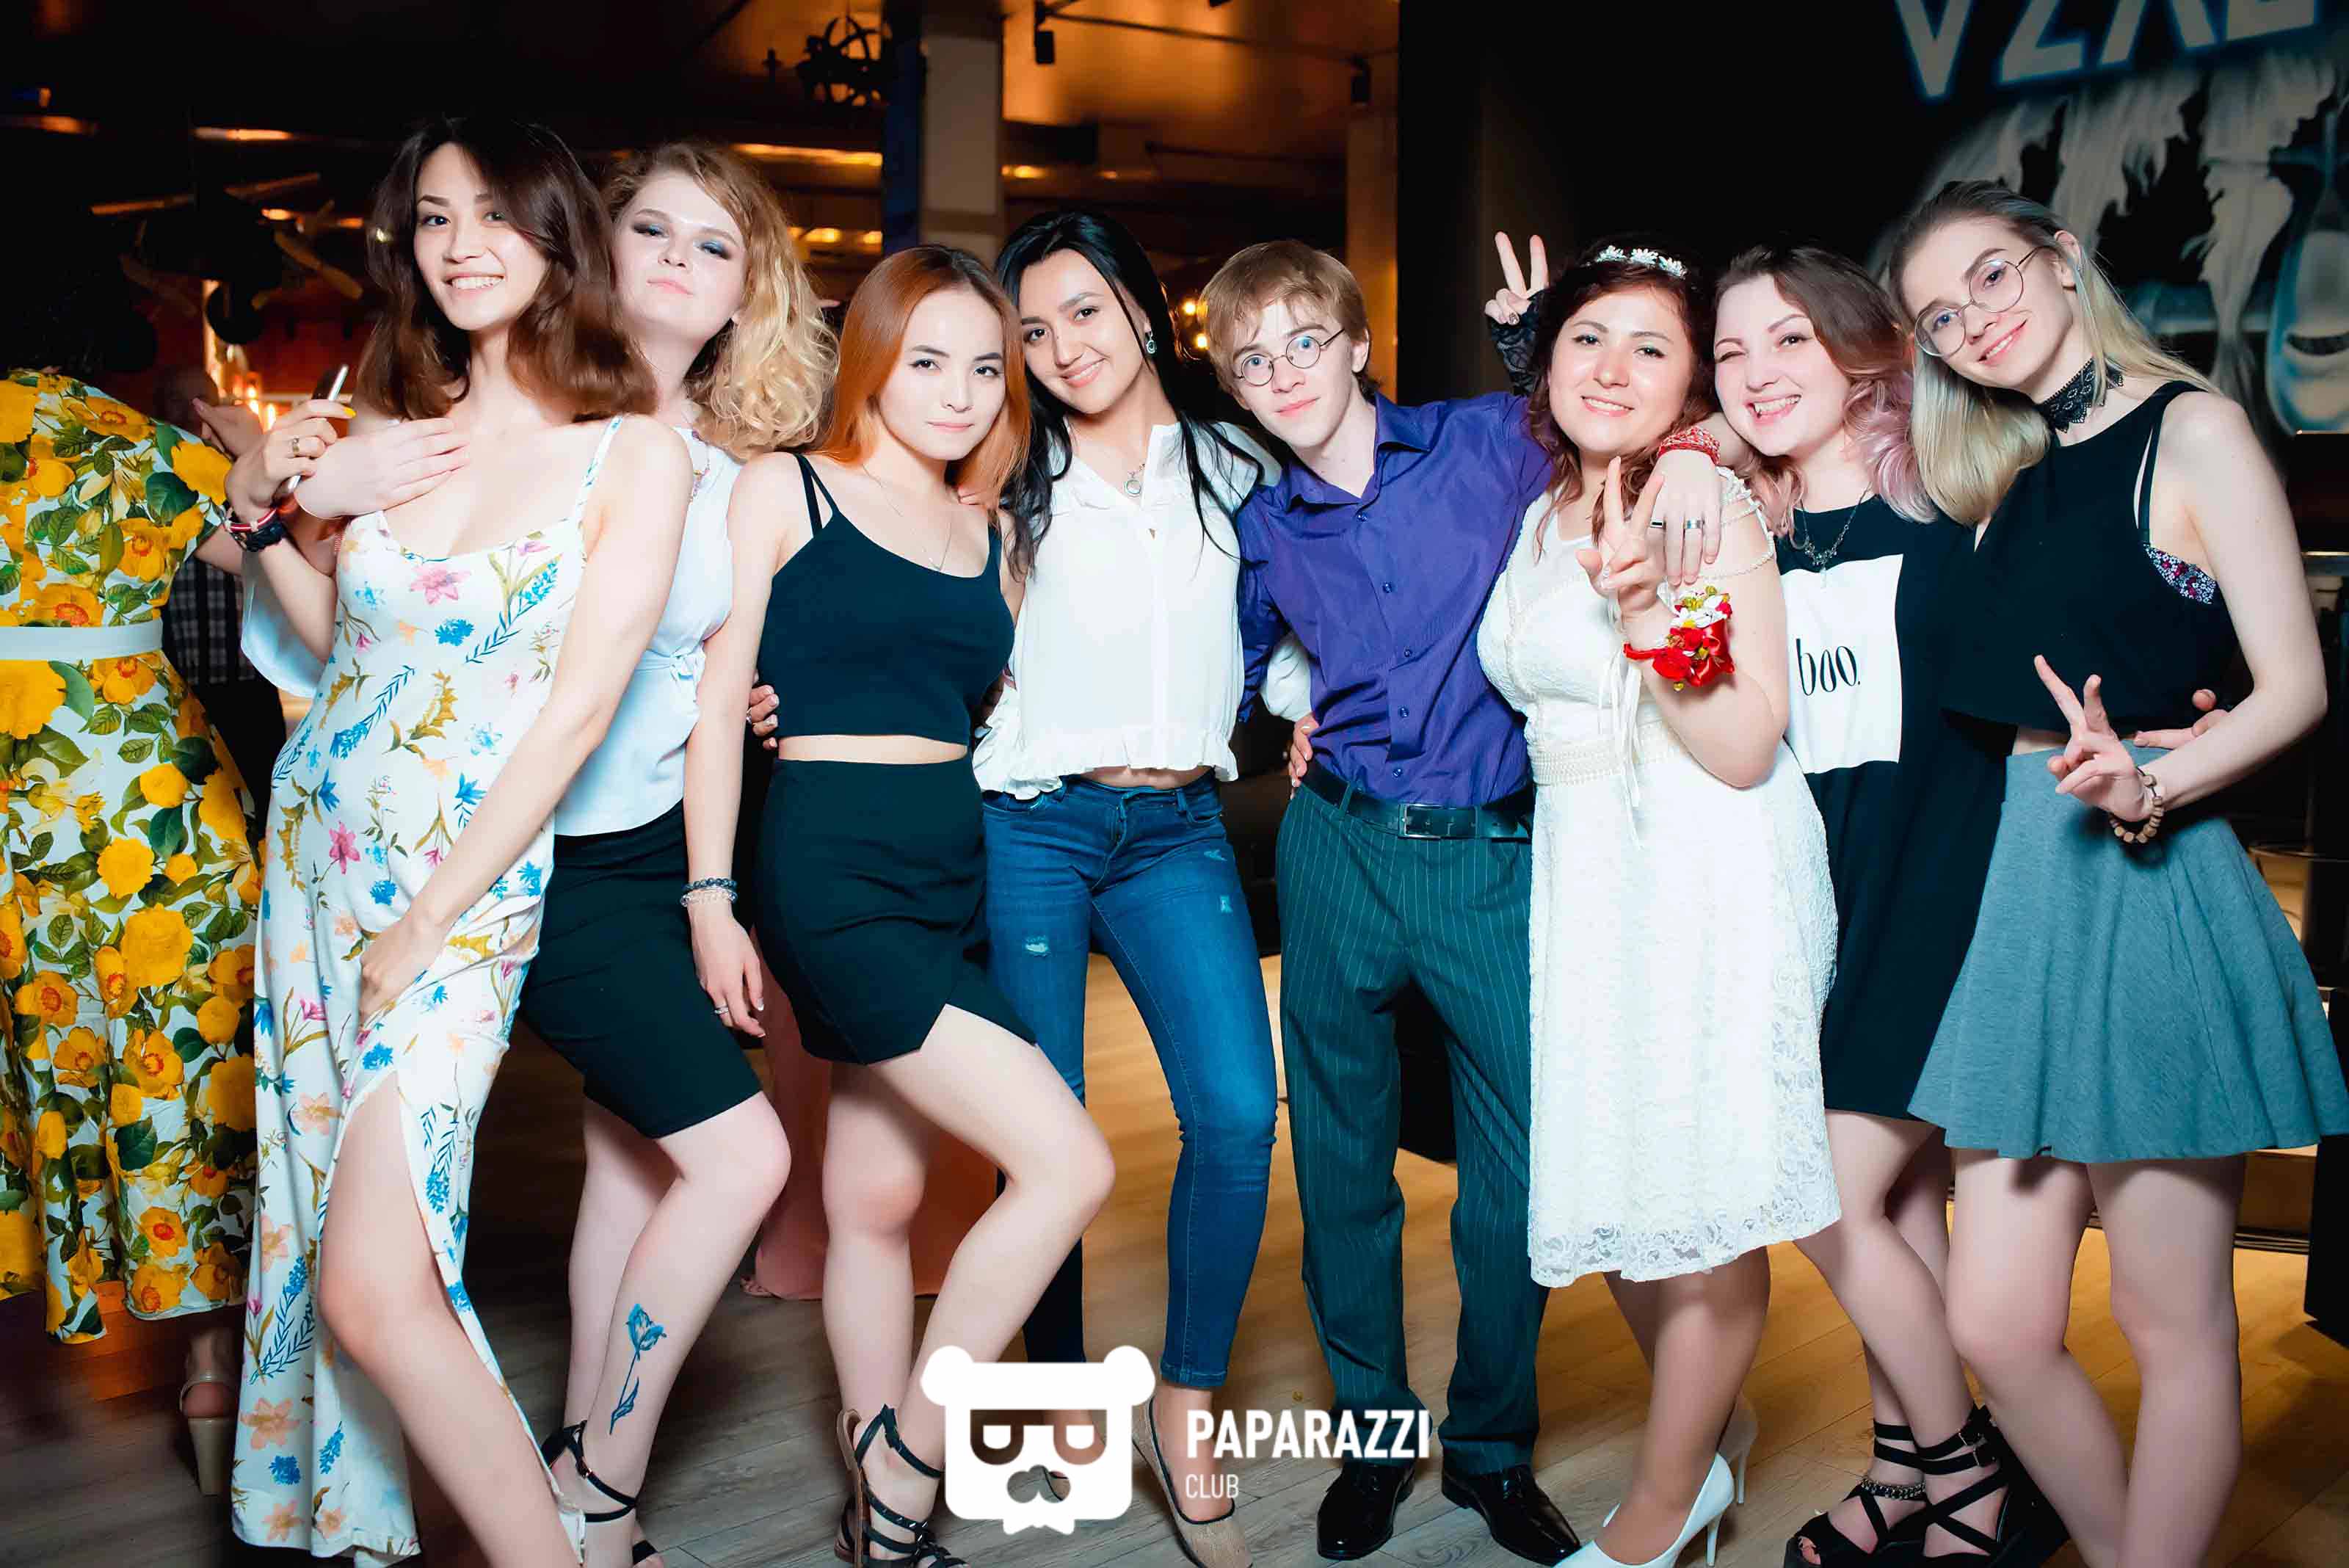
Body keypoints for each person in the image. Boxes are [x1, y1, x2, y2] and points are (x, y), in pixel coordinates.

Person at [244, 137, 825, 1568]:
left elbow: (664, 698)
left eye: (713, 246)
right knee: (668, 1167)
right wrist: (284, 492)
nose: (675, 262)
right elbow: (359, 647)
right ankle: (584, 1498)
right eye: (653, 231)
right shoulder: (435, 422)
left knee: (615, 1181)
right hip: (430, 853)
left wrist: (712, 874)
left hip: (582, 862)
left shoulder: (699, 470)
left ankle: (582, 1495)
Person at [1200, 237, 1746, 1566]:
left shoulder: (1486, 443)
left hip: (1491, 860)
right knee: (1341, 1169)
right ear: (1233, 385)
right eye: (1252, 361)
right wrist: (1290, 711)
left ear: (1358, 344)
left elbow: (1656, 419)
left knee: (1516, 1180)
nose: (1284, 374)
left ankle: (1492, 1448)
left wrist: (1669, 434)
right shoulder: (1262, 528)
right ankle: (1376, 1443)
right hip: (1335, 853)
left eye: (1306, 342)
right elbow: (1243, 672)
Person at [1888, 179, 2349, 1567]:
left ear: (2062, 255)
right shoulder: (2000, 474)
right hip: (2018, 895)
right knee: (1995, 1322)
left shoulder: (2192, 430)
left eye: (1990, 275)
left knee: (2170, 1321)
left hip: (2147, 882)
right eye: (1938, 316)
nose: (1972, 320)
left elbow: (2294, 687)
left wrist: (2151, 780)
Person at [690, 244, 1114, 1568]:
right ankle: (910, 1468)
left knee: (875, 1194)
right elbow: (715, 700)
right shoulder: (786, 488)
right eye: (928, 361)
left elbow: (984, 712)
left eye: (986, 369)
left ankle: (876, 1479)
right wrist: (710, 895)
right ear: (873, 358)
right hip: (830, 869)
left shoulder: (992, 535)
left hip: (949, 868)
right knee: (1070, 1164)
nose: (959, 392)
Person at [1472, 237, 1837, 1568]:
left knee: (1701, 1198)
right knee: (1624, 1194)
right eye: (1588, 340)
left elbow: (1741, 744)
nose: (1612, 369)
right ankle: (1710, 1446)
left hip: (1704, 863)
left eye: (1651, 349)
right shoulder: (1540, 514)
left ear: (1690, 386)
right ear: (1546, 362)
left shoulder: (1700, 504)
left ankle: (1654, 1517)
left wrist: (1646, 613)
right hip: (1591, 876)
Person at [1709, 245, 2062, 1567]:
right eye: (1732, 351)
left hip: (1940, 902)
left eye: (1790, 340)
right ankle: (1904, 1468)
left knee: (1818, 1191)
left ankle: (1972, 1476)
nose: (1757, 373)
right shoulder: (1748, 535)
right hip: (1815, 913)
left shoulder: (1957, 510)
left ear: (1862, 351)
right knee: (1899, 1213)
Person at [965, 206, 1280, 1568]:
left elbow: (1301, 611)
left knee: (1237, 1114)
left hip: (1180, 830)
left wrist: (1313, 705)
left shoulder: (1237, 465)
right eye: (1034, 330)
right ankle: (1053, 1407)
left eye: (1085, 312)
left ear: (1145, 313)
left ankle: (1187, 1401)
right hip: (1030, 826)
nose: (1063, 348)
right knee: (1046, 1139)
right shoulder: (1005, 471)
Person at [0, 337, 261, 1498]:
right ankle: (211, 1374)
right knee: (183, 1077)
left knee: (35, 1058)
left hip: (19, 807)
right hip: (155, 801)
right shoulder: (126, 438)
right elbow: (286, 565)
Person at [150, 366, 290, 813]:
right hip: (181, 685)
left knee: (263, 807)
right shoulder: (152, 474)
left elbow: (290, 548)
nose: (191, 412)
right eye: (178, 401)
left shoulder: (244, 471)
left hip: (249, 681)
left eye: (200, 400)